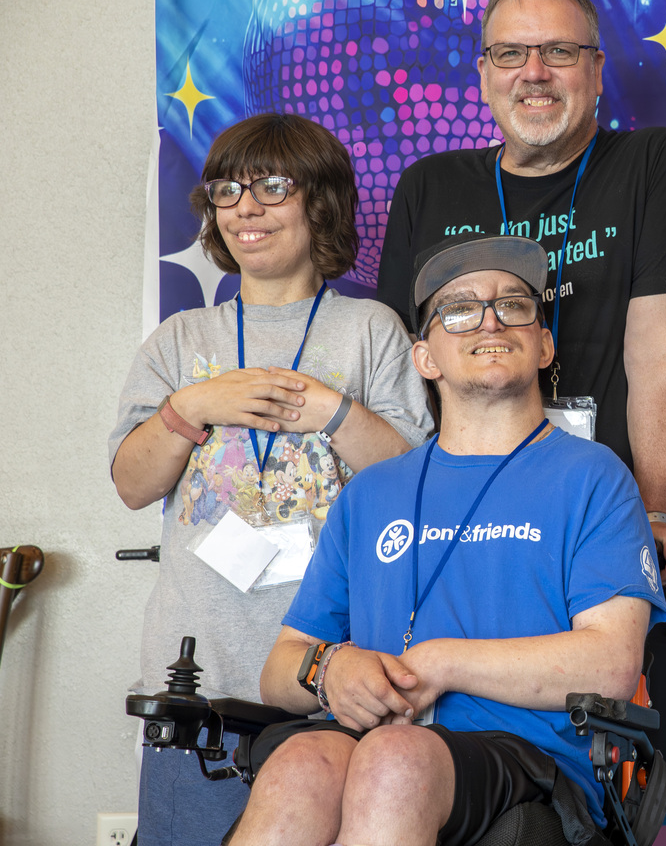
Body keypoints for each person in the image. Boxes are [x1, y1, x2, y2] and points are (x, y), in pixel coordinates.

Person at [375, 0, 666, 800]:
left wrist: (655, 518)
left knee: (609, 785)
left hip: (606, 533)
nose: (534, 72)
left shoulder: (652, 161)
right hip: (460, 550)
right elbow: (406, 376)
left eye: (559, 51)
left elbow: (661, 350)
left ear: (598, 69)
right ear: (484, 71)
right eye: (511, 53)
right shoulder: (430, 186)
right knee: (437, 774)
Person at [226, 235, 666, 846]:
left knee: (396, 759)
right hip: (369, 735)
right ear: (424, 358)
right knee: (299, 765)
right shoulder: (371, 494)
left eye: (515, 305)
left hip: (525, 761)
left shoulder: (593, 476)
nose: (490, 319)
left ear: (544, 344)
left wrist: (441, 662)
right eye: (459, 310)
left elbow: (612, 665)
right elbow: (280, 672)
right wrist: (328, 667)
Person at [109, 112, 434, 846]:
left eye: (271, 187)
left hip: (334, 673)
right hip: (198, 674)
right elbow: (131, 484)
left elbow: (418, 487)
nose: (245, 210)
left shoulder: (372, 329)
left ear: (319, 202)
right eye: (227, 191)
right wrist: (190, 407)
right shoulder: (181, 340)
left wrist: (333, 412)